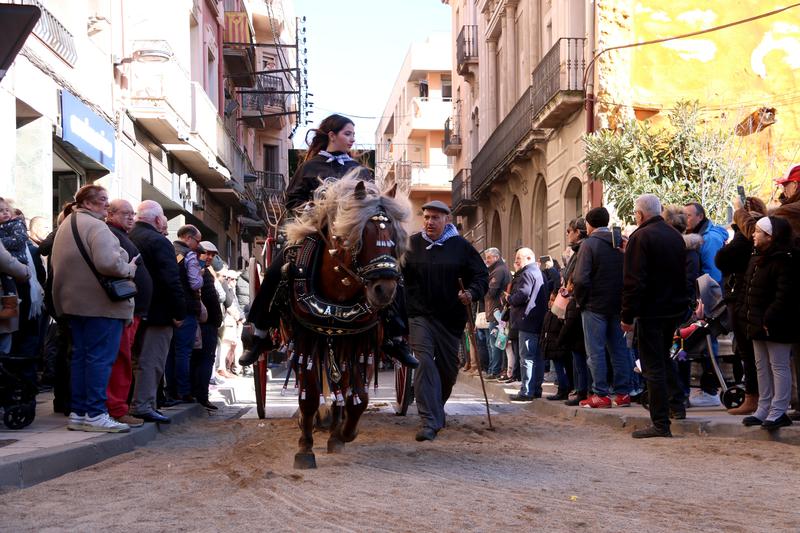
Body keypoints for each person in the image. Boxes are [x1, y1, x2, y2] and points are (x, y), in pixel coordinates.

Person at [241, 113, 417, 370]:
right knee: (278, 268)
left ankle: (395, 336)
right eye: (347, 134)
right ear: (331, 135)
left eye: (354, 135)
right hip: (313, 231)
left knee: (390, 270)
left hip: (352, 235)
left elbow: (372, 201)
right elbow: (292, 201)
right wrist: (313, 209)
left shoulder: (361, 171)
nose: (351, 139)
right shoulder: (310, 167)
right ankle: (260, 334)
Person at [51, 185, 138, 433]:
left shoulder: (66, 225)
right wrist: (129, 268)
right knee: (100, 359)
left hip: (72, 304)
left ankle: (79, 413)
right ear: (88, 204)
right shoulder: (96, 226)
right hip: (100, 305)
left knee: (81, 358)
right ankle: (96, 414)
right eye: (102, 200)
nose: (106, 205)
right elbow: (109, 263)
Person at [402, 200, 488, 441]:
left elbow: (481, 275)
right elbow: (399, 276)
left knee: (449, 370)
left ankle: (436, 407)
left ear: (446, 220)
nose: (429, 222)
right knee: (424, 362)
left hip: (450, 319)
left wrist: (471, 293)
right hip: (419, 316)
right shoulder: (412, 244)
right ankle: (428, 420)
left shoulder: (461, 247)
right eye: (427, 217)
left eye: (435, 218)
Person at [622, 194, 689, 438]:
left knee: (653, 365)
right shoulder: (674, 235)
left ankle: (660, 423)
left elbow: (634, 282)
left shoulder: (640, 237)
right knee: (663, 359)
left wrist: (627, 316)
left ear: (640, 214)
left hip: (651, 311)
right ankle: (676, 404)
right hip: (672, 309)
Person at [128, 200, 186, 424]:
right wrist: (179, 312)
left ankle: (138, 402)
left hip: (134, 309)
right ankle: (143, 404)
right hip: (158, 312)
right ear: (159, 220)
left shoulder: (129, 236)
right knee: (152, 360)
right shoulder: (159, 241)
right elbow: (171, 280)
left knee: (135, 360)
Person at [739, 216, 797, 430]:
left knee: (779, 366)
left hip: (776, 323)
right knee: (761, 366)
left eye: (758, 232)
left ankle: (778, 410)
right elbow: (748, 289)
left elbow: (785, 294)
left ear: (770, 236)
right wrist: (744, 314)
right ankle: (763, 408)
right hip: (756, 322)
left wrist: (768, 318)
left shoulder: (785, 260)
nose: (753, 235)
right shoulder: (757, 258)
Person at [572, 207, 633, 408]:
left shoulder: (589, 245)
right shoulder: (622, 242)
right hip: (618, 304)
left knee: (595, 350)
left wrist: (581, 301)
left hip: (594, 305)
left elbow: (580, 279)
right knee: (619, 349)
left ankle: (601, 393)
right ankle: (623, 392)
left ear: (589, 224)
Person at [715, 198, 767, 416]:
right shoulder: (753, 239)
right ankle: (758, 397)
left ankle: (754, 397)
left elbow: (722, 258)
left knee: (749, 351)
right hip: (744, 297)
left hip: (742, 299)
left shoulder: (746, 238)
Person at [105, 200, 153, 428]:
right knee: (120, 358)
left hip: (131, 310)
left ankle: (116, 406)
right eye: (125, 213)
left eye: (132, 213)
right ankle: (116, 408)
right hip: (123, 309)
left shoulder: (122, 235)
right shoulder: (111, 235)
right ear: (110, 214)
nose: (131, 217)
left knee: (123, 358)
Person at [166, 224, 204, 403]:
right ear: (188, 238)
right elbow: (195, 283)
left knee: (170, 353)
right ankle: (183, 391)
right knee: (183, 352)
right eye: (198, 241)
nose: (198, 245)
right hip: (186, 308)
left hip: (169, 307)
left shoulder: (169, 250)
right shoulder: (189, 255)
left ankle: (170, 390)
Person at [507, 247, 548, 401]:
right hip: (538, 319)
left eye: (519, 258)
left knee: (527, 357)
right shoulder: (540, 273)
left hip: (527, 320)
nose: (516, 261)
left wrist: (509, 299)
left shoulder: (527, 273)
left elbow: (523, 294)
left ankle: (527, 391)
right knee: (537, 357)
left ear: (529, 258)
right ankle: (536, 389)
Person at [192, 241, 223, 410]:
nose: (209, 257)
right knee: (205, 358)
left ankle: (196, 392)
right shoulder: (202, 271)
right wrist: (217, 319)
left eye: (213, 254)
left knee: (199, 358)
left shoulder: (204, 270)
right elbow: (211, 299)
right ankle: (201, 394)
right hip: (205, 322)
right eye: (207, 253)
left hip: (203, 320)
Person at [482, 247, 510, 379]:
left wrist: (483, 287)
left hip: (497, 312)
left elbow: (491, 292)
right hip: (495, 311)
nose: (487, 260)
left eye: (489, 257)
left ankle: (495, 370)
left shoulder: (498, 271)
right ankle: (495, 369)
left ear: (496, 257)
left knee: (496, 344)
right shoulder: (497, 270)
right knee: (494, 343)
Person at [683, 202, 728, 284]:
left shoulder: (710, 239)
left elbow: (712, 275)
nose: (684, 220)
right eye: (683, 216)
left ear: (700, 217)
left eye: (688, 216)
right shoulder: (696, 235)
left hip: (707, 292)